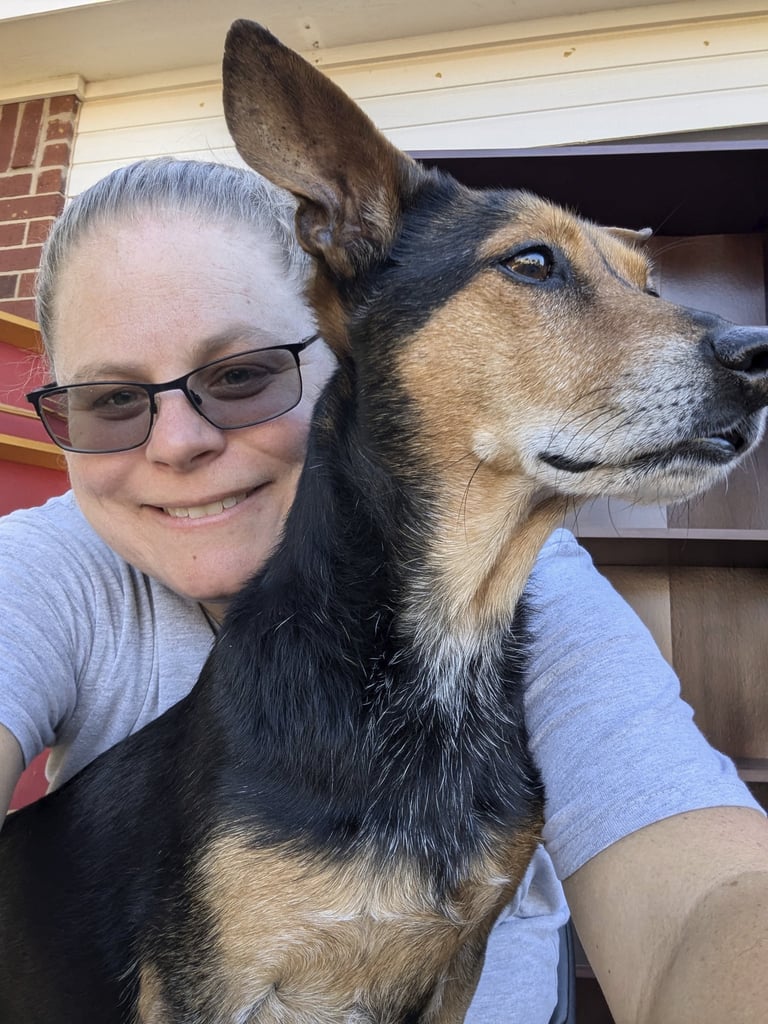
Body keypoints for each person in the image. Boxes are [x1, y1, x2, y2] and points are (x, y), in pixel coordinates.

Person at [0, 157, 766, 1024]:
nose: (177, 444)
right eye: (109, 401)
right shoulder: (51, 568)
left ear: (348, 354)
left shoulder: (519, 573)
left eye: (245, 374)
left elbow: (705, 899)